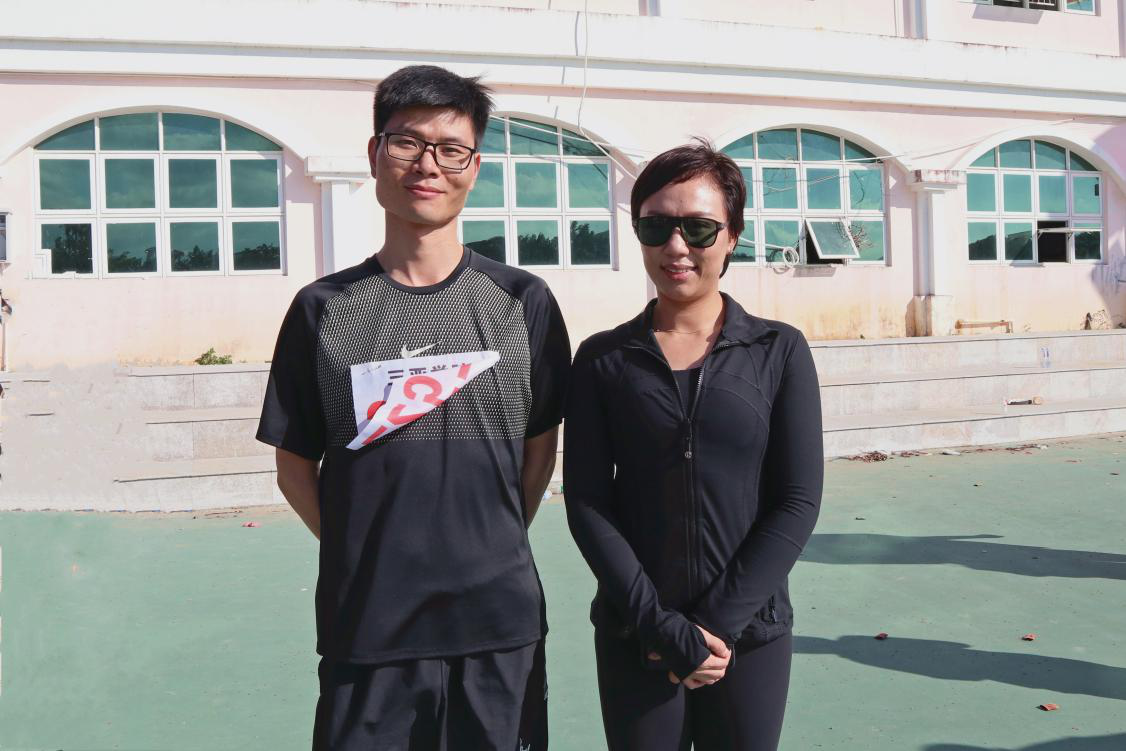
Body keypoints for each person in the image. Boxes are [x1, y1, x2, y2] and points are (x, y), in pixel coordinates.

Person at [256, 64, 570, 751]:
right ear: (375, 154)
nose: (428, 165)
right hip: (368, 627)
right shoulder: (322, 310)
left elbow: (539, 450)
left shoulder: (524, 303)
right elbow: (293, 467)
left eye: (451, 149)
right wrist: (365, 550)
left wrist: (485, 544)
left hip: (499, 629)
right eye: (407, 142)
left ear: (474, 166)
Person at [563, 141, 823, 751]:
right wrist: (658, 625)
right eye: (656, 227)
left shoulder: (778, 351)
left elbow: (797, 500)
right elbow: (588, 502)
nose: (676, 246)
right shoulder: (603, 358)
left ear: (732, 237)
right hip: (636, 632)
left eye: (699, 228)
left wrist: (711, 628)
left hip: (747, 634)